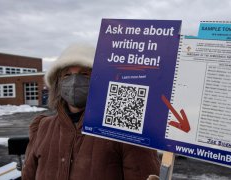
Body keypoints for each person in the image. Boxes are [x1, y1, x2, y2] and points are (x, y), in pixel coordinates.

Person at [22, 43, 160, 180]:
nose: (75, 81)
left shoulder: (125, 127)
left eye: (85, 74)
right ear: (57, 82)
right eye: (67, 75)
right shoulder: (43, 127)